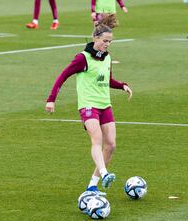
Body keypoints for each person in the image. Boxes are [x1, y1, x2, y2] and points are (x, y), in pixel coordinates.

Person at [45, 15, 132, 196]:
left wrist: (122, 85)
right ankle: (105, 174)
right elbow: (63, 76)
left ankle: (92, 186)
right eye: (105, 41)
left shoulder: (106, 58)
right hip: (88, 105)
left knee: (111, 145)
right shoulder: (82, 58)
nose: (107, 45)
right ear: (96, 38)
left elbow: (107, 80)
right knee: (97, 140)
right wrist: (51, 99)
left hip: (105, 105)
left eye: (110, 42)